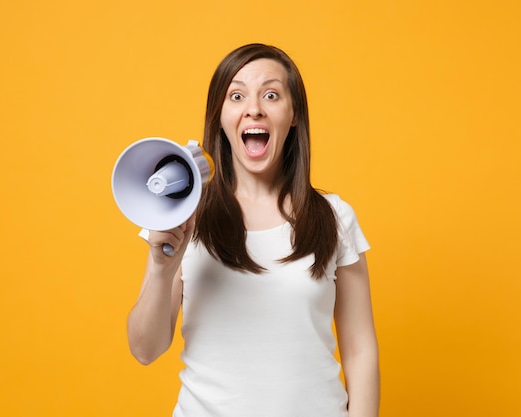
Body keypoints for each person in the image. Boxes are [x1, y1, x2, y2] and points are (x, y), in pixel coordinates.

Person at [126, 43, 380, 417]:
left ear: (293, 115)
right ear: (221, 116)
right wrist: (161, 268)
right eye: (237, 95)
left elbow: (360, 350)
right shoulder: (182, 216)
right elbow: (145, 350)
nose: (254, 107)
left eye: (272, 94)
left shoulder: (334, 217)